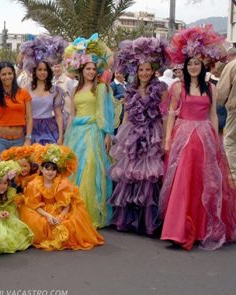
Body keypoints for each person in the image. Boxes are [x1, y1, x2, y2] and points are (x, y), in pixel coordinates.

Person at [161, 26, 236, 250]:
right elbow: (171, 115)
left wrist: (216, 140)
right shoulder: (177, 87)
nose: (193, 67)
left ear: (203, 66)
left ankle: (203, 229)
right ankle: (177, 229)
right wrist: (167, 140)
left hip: (204, 138)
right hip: (183, 139)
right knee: (183, 181)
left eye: (197, 63)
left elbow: (213, 115)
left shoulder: (210, 88)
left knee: (205, 182)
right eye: (190, 63)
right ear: (184, 66)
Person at [109, 37, 168, 235]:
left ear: (153, 71)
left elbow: (165, 113)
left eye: (147, 70)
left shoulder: (160, 90)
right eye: (141, 70)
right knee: (130, 174)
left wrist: (164, 137)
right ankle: (128, 219)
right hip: (133, 134)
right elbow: (126, 114)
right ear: (136, 71)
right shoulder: (130, 90)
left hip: (152, 134)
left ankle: (147, 221)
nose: (144, 73)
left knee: (148, 175)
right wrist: (121, 137)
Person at [63, 34, 115, 228]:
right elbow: (71, 114)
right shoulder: (76, 89)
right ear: (81, 70)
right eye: (88, 68)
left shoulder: (101, 89)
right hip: (76, 132)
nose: (91, 72)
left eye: (94, 69)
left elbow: (106, 113)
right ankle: (74, 210)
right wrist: (65, 137)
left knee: (90, 169)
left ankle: (88, 211)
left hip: (93, 132)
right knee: (75, 170)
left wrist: (108, 134)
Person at [21, 144, 105, 251]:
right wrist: (47, 216)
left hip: (60, 209)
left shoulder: (62, 183)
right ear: (41, 169)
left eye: (53, 170)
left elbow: (67, 204)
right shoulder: (34, 184)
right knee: (40, 222)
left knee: (69, 223)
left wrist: (61, 216)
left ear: (57, 171)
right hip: (43, 210)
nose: (50, 172)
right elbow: (34, 205)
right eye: (47, 169)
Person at [20, 36, 67, 144]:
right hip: (30, 128)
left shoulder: (55, 90)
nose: (42, 72)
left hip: (49, 128)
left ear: (49, 72)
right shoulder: (27, 88)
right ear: (34, 71)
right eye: (39, 69)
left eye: (45, 70)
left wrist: (61, 136)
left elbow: (58, 114)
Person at [0, 61, 33, 163]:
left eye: (10, 73)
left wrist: (28, 139)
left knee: (17, 174)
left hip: (19, 141)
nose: (7, 77)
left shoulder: (24, 93)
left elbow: (29, 118)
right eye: (3, 74)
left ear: (13, 74)